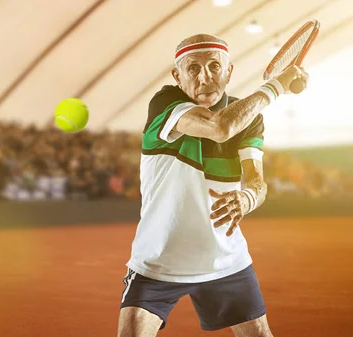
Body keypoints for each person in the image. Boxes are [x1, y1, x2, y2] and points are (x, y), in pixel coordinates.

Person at [117, 34, 308, 337]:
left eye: (214, 67)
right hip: (158, 260)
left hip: (226, 261)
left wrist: (247, 198)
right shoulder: (165, 103)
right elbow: (219, 128)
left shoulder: (250, 117)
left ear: (229, 72)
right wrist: (275, 87)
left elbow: (257, 182)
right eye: (193, 69)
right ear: (177, 76)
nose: (205, 77)